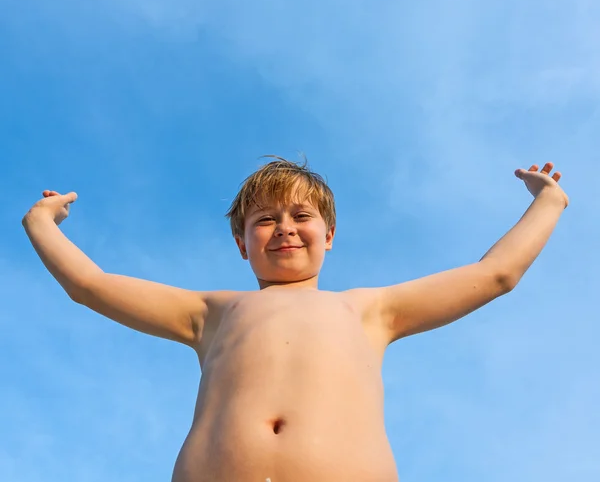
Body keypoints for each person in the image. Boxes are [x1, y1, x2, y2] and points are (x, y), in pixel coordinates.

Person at [22, 157, 569, 482]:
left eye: (302, 216)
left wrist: (547, 202)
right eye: (265, 220)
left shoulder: (370, 308)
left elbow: (496, 274)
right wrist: (42, 222)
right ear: (242, 244)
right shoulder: (210, 313)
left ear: (329, 236)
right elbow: (90, 286)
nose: (284, 227)